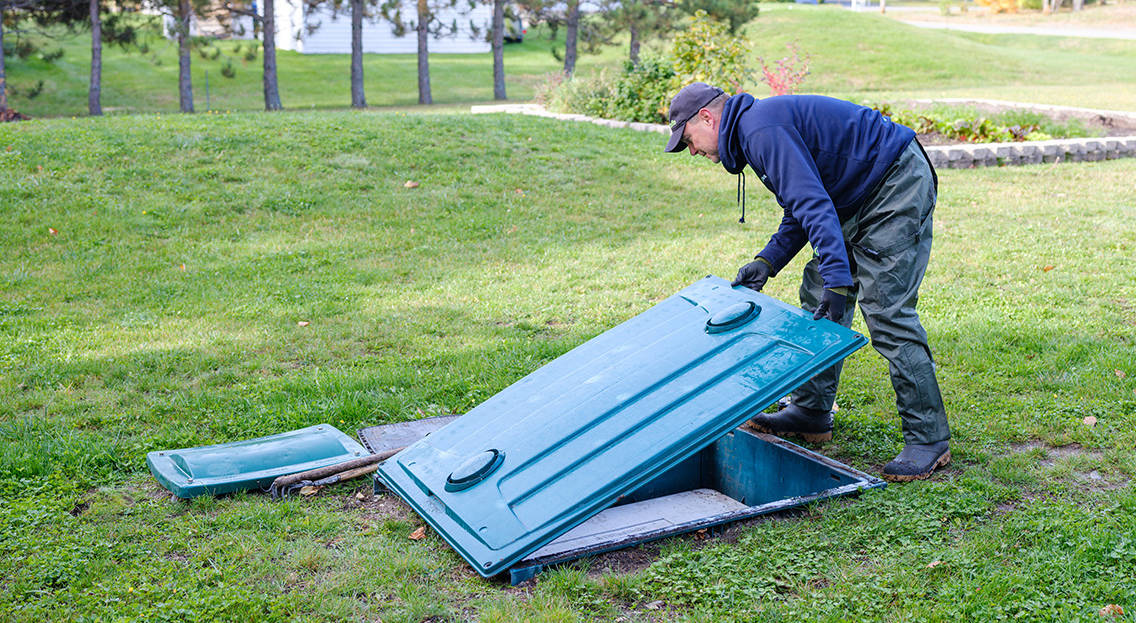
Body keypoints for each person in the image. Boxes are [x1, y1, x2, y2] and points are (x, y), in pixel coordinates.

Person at [664, 82, 950, 482]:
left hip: (894, 184)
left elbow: (814, 204)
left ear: (707, 118)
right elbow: (802, 205)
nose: (692, 150)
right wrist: (768, 261)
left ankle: (928, 439)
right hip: (854, 194)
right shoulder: (754, 131)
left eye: (688, 139)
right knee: (819, 294)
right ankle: (811, 412)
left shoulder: (760, 131)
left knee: (886, 311)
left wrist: (839, 279)